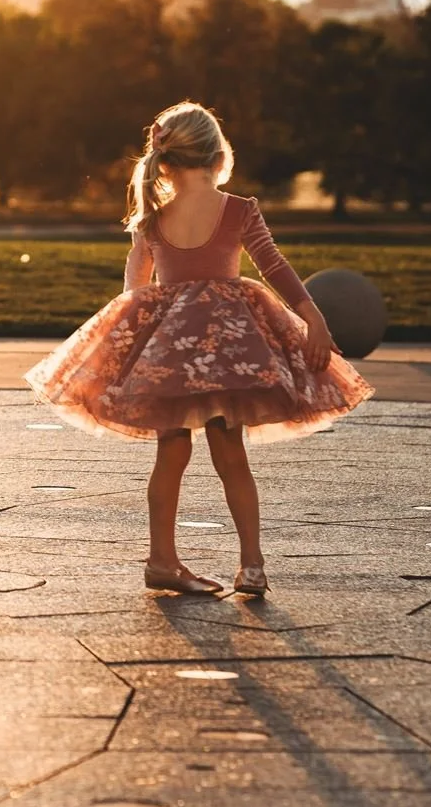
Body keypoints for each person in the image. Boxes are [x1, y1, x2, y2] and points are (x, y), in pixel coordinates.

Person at [25, 102, 372, 597]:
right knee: (231, 452)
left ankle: (162, 560)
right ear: (217, 156)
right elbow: (274, 267)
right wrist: (312, 316)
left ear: (164, 162)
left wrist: (131, 347)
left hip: (171, 349)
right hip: (230, 348)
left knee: (172, 449)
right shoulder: (238, 209)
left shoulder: (153, 218)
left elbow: (134, 292)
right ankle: (251, 565)